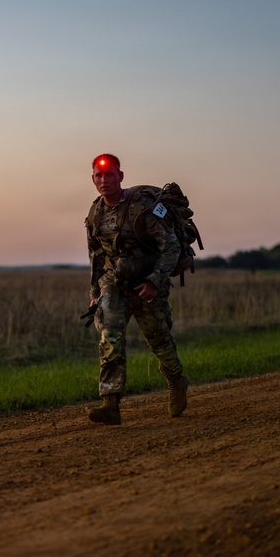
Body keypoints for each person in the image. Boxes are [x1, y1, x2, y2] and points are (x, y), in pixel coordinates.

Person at [84, 153, 189, 425]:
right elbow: (96, 255)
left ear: (120, 176)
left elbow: (171, 247)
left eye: (109, 174)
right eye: (99, 175)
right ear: (93, 179)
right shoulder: (95, 212)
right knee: (110, 337)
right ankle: (110, 403)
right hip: (114, 283)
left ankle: (176, 380)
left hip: (147, 283)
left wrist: (155, 281)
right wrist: (95, 292)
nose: (104, 180)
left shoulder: (141, 207)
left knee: (159, 341)